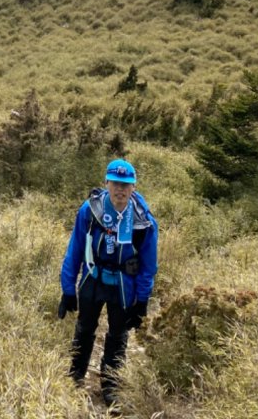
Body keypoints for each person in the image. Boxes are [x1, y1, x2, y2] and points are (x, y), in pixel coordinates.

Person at [58, 158, 158, 405]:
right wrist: (68, 289)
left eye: (126, 185)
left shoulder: (143, 220)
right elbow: (75, 250)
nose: (120, 190)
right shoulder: (90, 210)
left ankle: (110, 386)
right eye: (115, 183)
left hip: (124, 286)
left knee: (117, 336)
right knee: (84, 330)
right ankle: (75, 376)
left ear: (134, 187)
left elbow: (149, 264)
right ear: (106, 183)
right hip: (93, 278)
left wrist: (142, 300)